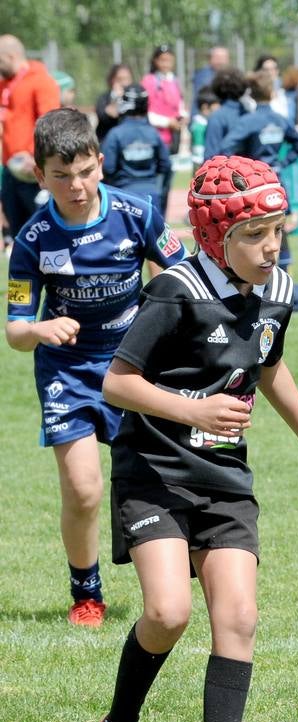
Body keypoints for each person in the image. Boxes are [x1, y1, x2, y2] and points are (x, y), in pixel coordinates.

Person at [90, 154, 298, 722]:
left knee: (237, 619)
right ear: (217, 236)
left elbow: (267, 365)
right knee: (168, 614)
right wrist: (192, 409)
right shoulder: (176, 289)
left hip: (224, 478)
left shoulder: (279, 290)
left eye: (277, 230)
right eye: (253, 234)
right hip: (153, 472)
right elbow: (117, 383)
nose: (270, 246)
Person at [5, 108, 187, 627]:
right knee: (84, 488)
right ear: (39, 176)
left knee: (161, 475)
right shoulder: (33, 240)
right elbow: (16, 331)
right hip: (68, 371)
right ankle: (86, 590)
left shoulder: (137, 213)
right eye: (60, 176)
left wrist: (169, 321)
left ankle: (181, 569)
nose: (76, 186)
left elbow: (183, 278)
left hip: (133, 366)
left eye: (84, 172)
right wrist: (40, 329)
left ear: (101, 164)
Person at [222, 71, 298, 270]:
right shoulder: (279, 120)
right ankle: (282, 276)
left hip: (254, 185)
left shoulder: (248, 121)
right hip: (275, 182)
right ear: (272, 92)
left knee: (255, 230)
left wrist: (243, 167)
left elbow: (226, 147)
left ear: (251, 94)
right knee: (278, 228)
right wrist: (283, 162)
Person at [0, 35, 61, 235]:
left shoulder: (41, 81)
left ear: (12, 56)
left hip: (33, 172)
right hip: (11, 170)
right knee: (20, 236)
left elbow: (50, 124)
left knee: (42, 233)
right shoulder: (5, 86)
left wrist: (36, 158)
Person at [101, 85, 172, 220]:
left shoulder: (115, 134)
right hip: (152, 196)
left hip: (123, 197)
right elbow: (165, 165)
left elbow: (107, 168)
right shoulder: (153, 134)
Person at [141, 44, 187, 158]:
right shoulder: (149, 81)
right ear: (155, 61)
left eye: (169, 60)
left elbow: (180, 104)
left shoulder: (175, 81)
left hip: (174, 136)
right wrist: (167, 122)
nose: (166, 64)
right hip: (157, 136)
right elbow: (145, 112)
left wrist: (183, 115)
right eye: (162, 60)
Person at [202, 68, 250, 161]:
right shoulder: (249, 114)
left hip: (227, 173)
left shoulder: (217, 117)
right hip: (249, 172)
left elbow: (211, 157)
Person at [95, 64, 136, 142]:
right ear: (112, 80)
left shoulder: (135, 99)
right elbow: (105, 115)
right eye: (120, 79)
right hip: (107, 141)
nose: (124, 83)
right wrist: (116, 98)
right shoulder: (104, 98)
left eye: (127, 79)